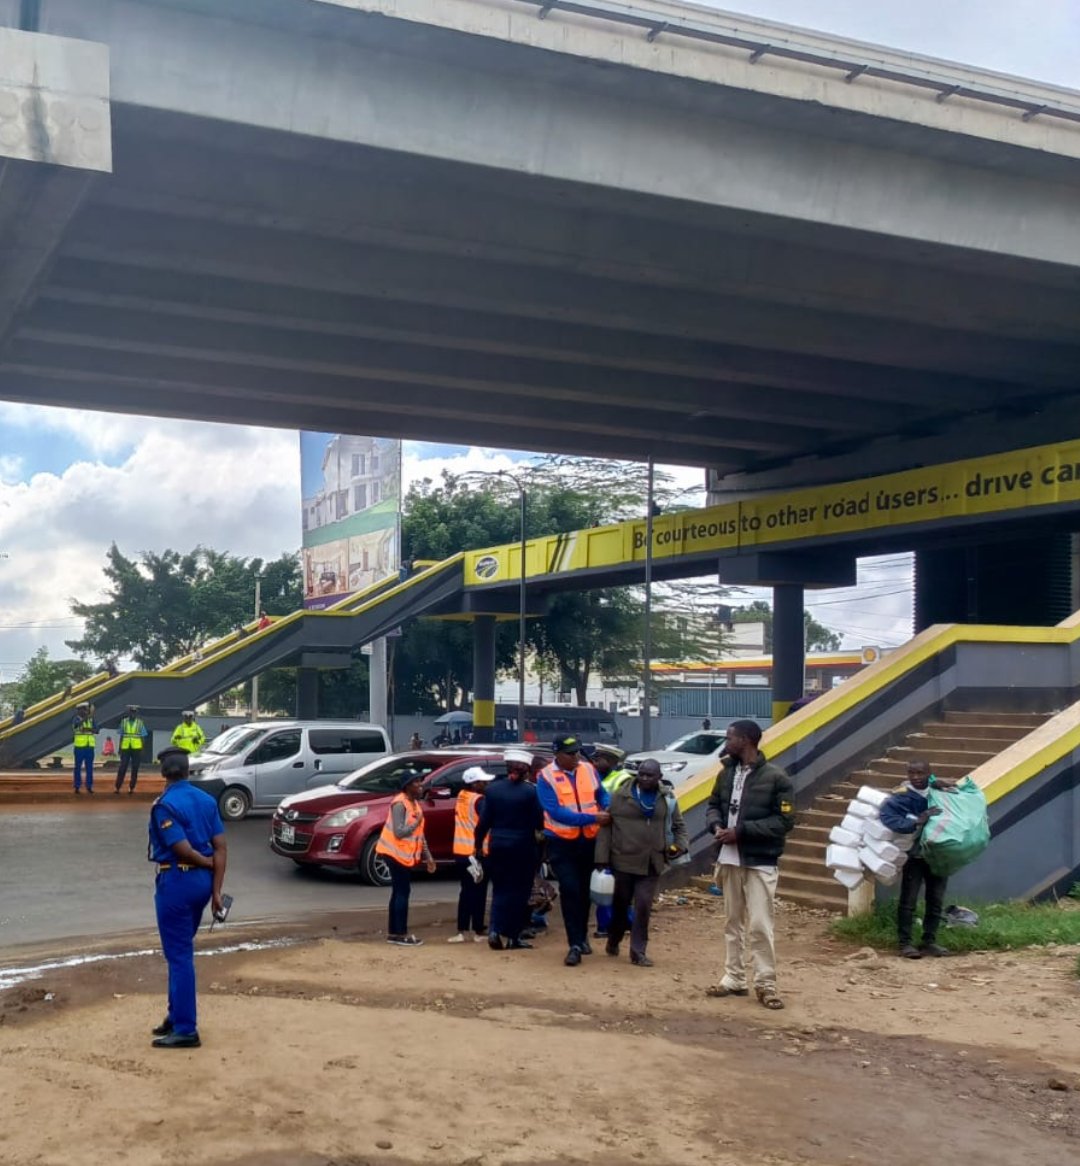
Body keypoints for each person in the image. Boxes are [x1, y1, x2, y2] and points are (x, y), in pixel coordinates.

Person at [704, 719, 795, 1010]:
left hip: (759, 861)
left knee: (759, 923)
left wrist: (741, 831)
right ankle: (734, 978)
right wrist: (717, 825)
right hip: (729, 857)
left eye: (730, 737)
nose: (726, 742)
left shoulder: (777, 778)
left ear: (746, 740)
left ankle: (766, 983)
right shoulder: (726, 773)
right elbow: (713, 805)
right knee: (732, 922)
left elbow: (784, 822)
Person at [147, 746, 227, 1049]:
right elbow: (221, 847)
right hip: (202, 887)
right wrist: (217, 890)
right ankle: (175, 1014)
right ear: (188, 770)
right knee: (180, 949)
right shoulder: (206, 800)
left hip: (177, 882)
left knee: (179, 956)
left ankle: (185, 1028)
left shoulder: (165, 804)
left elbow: (180, 847)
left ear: (163, 773)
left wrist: (204, 862)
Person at [596, 758, 688, 967]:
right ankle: (614, 938)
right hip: (623, 861)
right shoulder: (620, 796)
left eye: (650, 775)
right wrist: (601, 859)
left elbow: (679, 826)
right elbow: (606, 828)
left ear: (659, 778)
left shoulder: (667, 799)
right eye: (642, 774)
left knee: (644, 906)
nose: (644, 778)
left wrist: (680, 846)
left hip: (651, 862)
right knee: (620, 907)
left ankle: (638, 952)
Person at [536, 735, 612, 967]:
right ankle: (574, 944)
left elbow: (601, 793)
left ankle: (582, 935)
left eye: (578, 752)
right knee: (570, 890)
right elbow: (556, 812)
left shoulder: (588, 769)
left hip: (588, 841)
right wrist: (593, 817)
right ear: (557, 754)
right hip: (561, 843)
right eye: (570, 753)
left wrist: (607, 805)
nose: (576, 757)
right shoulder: (545, 777)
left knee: (584, 891)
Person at [880, 759, 958, 959]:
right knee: (908, 900)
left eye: (920, 773)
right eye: (912, 773)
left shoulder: (939, 791)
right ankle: (905, 943)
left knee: (936, 900)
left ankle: (929, 941)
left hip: (938, 855)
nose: (916, 777)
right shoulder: (900, 797)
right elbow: (889, 819)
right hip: (914, 855)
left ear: (929, 773)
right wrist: (917, 821)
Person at [474, 748, 544, 949]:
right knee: (520, 892)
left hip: (498, 846)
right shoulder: (531, 792)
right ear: (526, 771)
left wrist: (478, 846)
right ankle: (513, 936)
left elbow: (483, 823)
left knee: (500, 890)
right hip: (523, 847)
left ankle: (495, 930)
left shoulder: (493, 790)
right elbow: (539, 822)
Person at [375, 772, 436, 945]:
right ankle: (400, 934)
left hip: (402, 855)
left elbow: (419, 834)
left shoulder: (414, 804)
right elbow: (399, 832)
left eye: (420, 783)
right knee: (402, 892)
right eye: (416, 783)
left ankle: (395, 933)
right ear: (407, 786)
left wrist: (428, 856)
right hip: (395, 854)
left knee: (399, 892)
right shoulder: (400, 804)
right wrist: (416, 823)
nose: (420, 786)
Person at [449, 766, 495, 943]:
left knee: (466, 891)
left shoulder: (461, 797)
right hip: (477, 853)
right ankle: (477, 930)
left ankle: (462, 930)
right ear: (474, 784)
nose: (486, 784)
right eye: (483, 782)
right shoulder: (479, 800)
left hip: (461, 852)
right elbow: (486, 823)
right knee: (479, 891)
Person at [115, 704, 149, 795]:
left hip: (136, 748)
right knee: (122, 768)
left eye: (134, 712)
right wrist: (120, 748)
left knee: (135, 768)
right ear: (129, 713)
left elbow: (143, 737)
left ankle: (131, 787)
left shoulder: (140, 723)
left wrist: (142, 748)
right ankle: (118, 787)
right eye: (131, 712)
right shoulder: (124, 722)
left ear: (136, 713)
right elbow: (122, 736)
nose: (132, 714)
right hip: (125, 748)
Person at [71, 702, 98, 795]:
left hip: (89, 746)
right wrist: (86, 720)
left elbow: (97, 730)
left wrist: (88, 729)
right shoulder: (75, 719)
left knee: (89, 767)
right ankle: (77, 786)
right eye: (82, 709)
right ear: (78, 710)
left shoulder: (91, 719)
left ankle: (89, 786)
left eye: (85, 709)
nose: (85, 711)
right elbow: (76, 726)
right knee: (77, 767)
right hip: (79, 746)